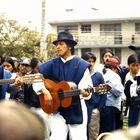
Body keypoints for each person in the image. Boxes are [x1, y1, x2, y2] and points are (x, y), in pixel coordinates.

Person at [33, 31, 93, 140]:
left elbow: (87, 89)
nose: (58, 47)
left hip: (77, 109)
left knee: (78, 138)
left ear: (69, 46)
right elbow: (36, 80)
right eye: (56, 45)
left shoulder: (81, 65)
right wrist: (45, 92)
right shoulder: (51, 64)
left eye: (61, 44)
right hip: (58, 109)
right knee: (56, 138)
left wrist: (85, 93)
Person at [81, 52, 107, 140]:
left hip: (94, 109)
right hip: (81, 108)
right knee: (80, 133)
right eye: (88, 61)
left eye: (93, 61)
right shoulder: (79, 75)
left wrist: (99, 109)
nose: (91, 63)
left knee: (93, 135)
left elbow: (104, 93)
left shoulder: (98, 76)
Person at [99, 57, 124, 133]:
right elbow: (118, 91)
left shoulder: (101, 74)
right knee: (110, 131)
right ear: (113, 67)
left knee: (103, 131)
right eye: (116, 69)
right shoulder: (114, 75)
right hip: (111, 106)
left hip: (102, 106)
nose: (117, 71)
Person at [124, 53, 140, 127]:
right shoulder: (127, 76)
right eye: (133, 65)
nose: (135, 68)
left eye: (137, 65)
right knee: (132, 126)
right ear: (129, 65)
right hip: (132, 103)